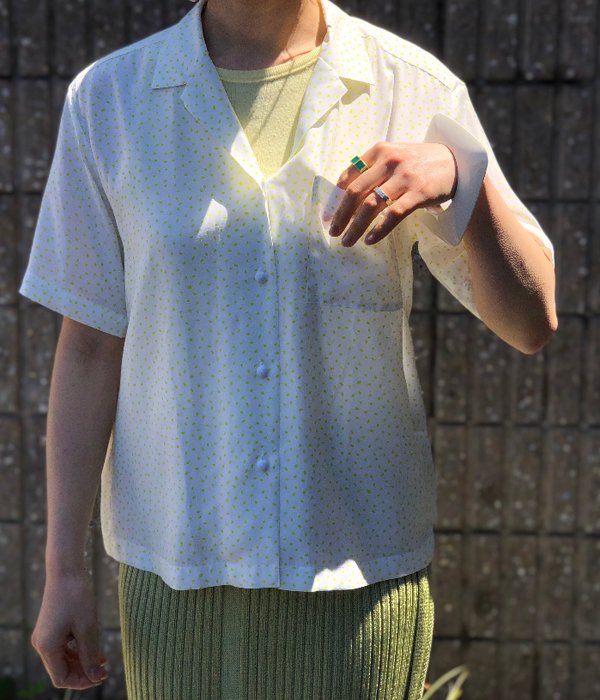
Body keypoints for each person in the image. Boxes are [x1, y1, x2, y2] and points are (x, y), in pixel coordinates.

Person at [21, 0, 557, 697]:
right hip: (176, 575)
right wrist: (63, 568)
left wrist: (464, 178)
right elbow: (91, 346)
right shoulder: (109, 100)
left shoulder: (410, 86)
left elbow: (530, 322)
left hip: (356, 580)